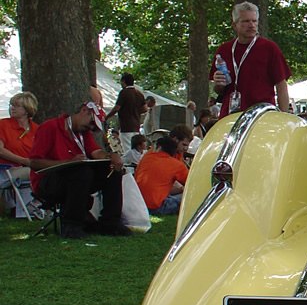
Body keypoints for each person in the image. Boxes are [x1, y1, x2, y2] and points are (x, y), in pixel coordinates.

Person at [29, 100, 128, 239]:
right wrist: (68, 162)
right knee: (81, 171)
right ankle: (72, 225)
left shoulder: (83, 132)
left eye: (94, 127)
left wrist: (111, 156)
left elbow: (95, 152)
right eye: (92, 123)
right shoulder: (50, 127)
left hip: (77, 179)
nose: (91, 128)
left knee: (112, 170)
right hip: (47, 183)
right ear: (84, 111)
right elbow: (34, 162)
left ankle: (110, 223)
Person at [210, 1, 291, 117]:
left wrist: (284, 116)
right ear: (234, 25)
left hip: (261, 115)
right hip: (230, 115)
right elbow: (219, 90)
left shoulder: (269, 48)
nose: (251, 25)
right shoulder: (224, 50)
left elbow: (281, 85)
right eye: (246, 21)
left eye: (254, 21)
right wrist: (219, 84)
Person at [134, 135, 190, 216]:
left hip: (139, 204)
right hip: (156, 207)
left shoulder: (146, 158)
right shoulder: (177, 165)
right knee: (186, 197)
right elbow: (191, 185)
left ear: (159, 147)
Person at [106, 72, 147, 153]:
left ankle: (130, 164)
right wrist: (135, 111)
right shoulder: (139, 93)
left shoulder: (124, 92)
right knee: (136, 149)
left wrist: (107, 117)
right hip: (136, 125)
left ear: (124, 81)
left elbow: (117, 108)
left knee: (128, 149)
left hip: (126, 126)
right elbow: (145, 109)